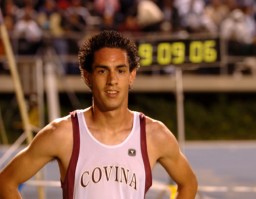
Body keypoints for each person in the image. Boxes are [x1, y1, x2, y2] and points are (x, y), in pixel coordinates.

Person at [0, 30, 198, 198]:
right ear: (87, 76)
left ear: (131, 75)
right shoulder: (62, 134)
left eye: (120, 71)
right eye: (103, 71)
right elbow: (6, 182)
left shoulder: (154, 135)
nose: (112, 80)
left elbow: (188, 184)